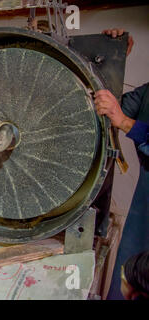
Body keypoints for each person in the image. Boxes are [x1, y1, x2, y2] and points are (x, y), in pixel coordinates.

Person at [93, 28, 148, 300]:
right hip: (144, 208)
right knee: (130, 281)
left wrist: (125, 123)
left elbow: (120, 118)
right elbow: (108, 110)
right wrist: (115, 60)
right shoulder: (148, 93)